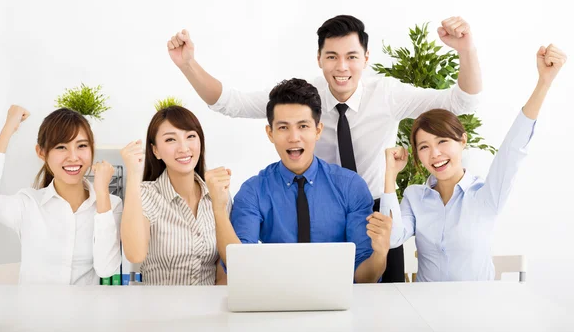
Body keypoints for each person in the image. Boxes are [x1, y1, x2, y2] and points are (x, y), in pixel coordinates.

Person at [167, 14, 482, 282]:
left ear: (366, 58)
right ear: (319, 59)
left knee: (384, 299)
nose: (341, 66)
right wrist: (188, 64)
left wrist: (466, 51)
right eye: (332, 56)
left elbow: (462, 102)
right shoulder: (303, 100)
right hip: (321, 208)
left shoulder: (386, 93)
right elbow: (229, 103)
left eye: (352, 56)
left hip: (374, 207)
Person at [379, 44, 567, 281]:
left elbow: (512, 150)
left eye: (443, 141)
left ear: (462, 140)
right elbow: (392, 237)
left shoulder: (486, 195)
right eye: (424, 147)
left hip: (477, 309)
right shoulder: (414, 197)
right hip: (426, 309)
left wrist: (544, 82)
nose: (435, 154)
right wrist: (389, 176)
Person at [206, 78, 392, 283]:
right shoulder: (254, 190)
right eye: (283, 127)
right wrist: (218, 208)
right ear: (270, 133)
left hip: (338, 303)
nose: (294, 137)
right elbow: (240, 265)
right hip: (277, 300)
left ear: (318, 130)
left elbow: (364, 278)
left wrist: (380, 254)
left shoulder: (350, 186)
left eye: (303, 126)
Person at [0, 106, 122, 285]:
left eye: (82, 146)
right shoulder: (28, 205)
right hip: (35, 312)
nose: (73, 157)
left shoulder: (110, 204)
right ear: (41, 153)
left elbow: (107, 269)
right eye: (61, 147)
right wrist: (9, 127)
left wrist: (102, 193)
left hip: (85, 312)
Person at [120, 105, 227, 285]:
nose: (183, 148)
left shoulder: (217, 193)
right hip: (160, 309)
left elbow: (224, 267)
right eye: (170, 140)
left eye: (191, 136)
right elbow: (135, 254)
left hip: (208, 307)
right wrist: (133, 173)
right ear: (155, 151)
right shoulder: (146, 195)